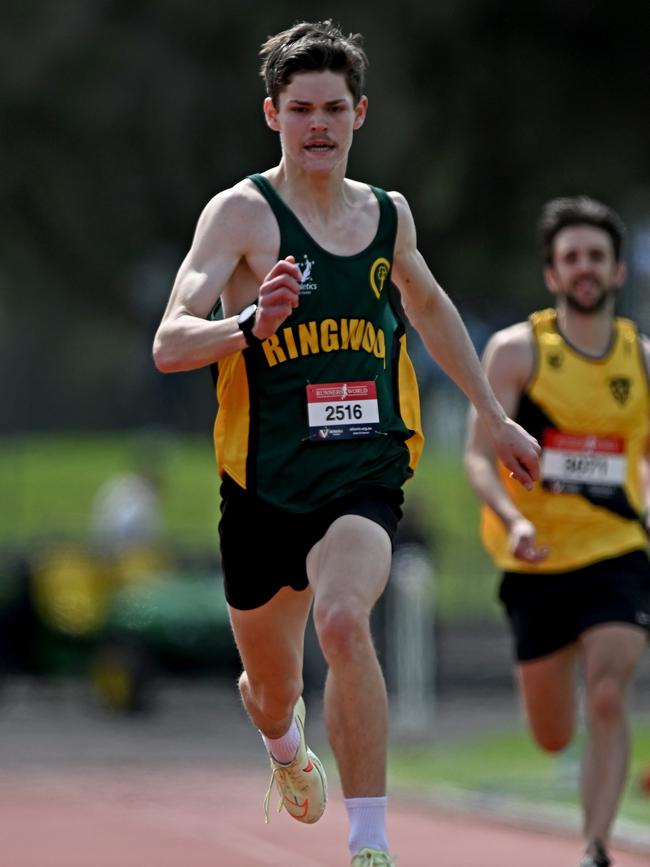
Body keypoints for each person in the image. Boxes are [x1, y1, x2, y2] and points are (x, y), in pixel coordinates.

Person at [153, 20, 539, 866]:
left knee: (340, 618)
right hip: (259, 483)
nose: (318, 124)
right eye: (301, 109)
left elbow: (431, 309)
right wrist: (250, 324)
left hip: (363, 467)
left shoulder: (387, 217)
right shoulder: (242, 214)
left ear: (360, 114)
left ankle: (370, 846)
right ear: (273, 115)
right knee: (269, 690)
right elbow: (171, 340)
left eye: (334, 108)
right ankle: (287, 747)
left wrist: (493, 414)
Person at [464, 196, 650, 867]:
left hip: (617, 553)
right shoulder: (518, 353)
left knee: (608, 691)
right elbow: (478, 457)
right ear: (551, 273)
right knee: (550, 734)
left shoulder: (642, 360)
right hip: (535, 559)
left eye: (596, 256)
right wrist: (512, 520)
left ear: (617, 270)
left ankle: (595, 846)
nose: (584, 268)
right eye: (571, 257)